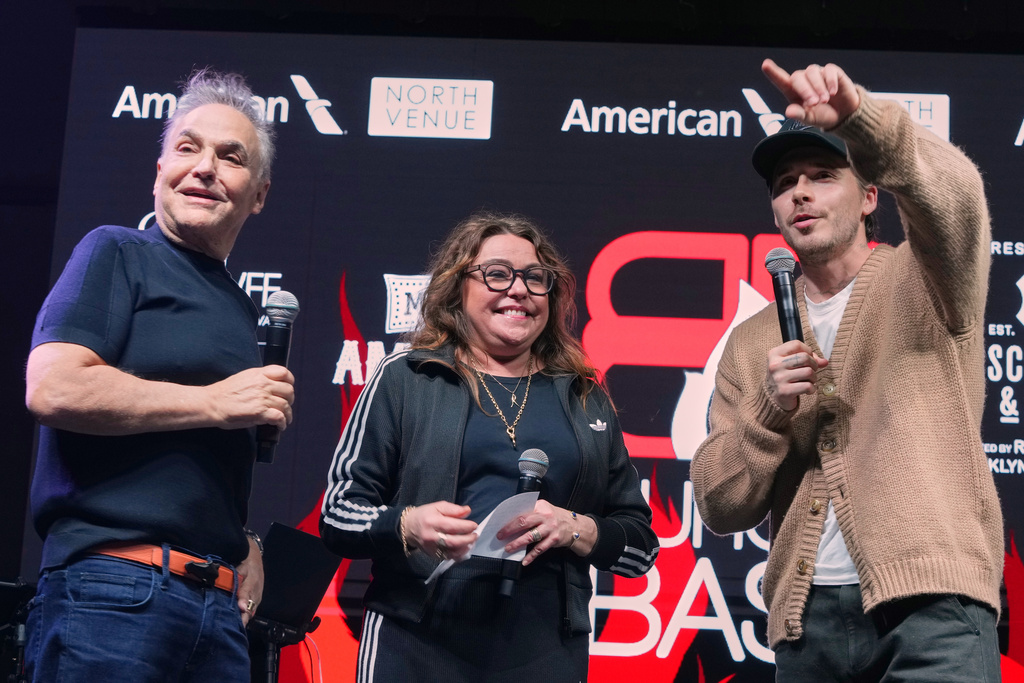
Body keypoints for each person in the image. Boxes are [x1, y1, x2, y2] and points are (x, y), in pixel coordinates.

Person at [692, 59, 1003, 681]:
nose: (800, 192)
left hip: (933, 609)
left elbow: (958, 196)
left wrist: (860, 119)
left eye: (823, 175)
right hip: (809, 631)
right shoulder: (751, 341)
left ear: (868, 197)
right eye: (785, 183)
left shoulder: (928, 277)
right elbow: (720, 504)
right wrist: (767, 412)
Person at [23, 68, 295, 682]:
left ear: (258, 194)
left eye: (231, 157)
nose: (204, 167)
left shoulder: (242, 308)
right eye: (187, 148)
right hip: (114, 592)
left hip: (217, 612)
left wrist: (239, 537)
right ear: (159, 172)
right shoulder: (116, 251)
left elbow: (187, 460)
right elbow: (54, 385)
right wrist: (217, 403)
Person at [320, 211, 658, 681]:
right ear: (459, 287)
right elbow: (337, 514)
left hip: (545, 648)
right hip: (418, 635)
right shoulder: (406, 378)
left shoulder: (585, 396)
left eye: (535, 278)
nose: (518, 290)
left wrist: (574, 527)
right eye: (496, 274)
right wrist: (409, 523)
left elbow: (641, 548)